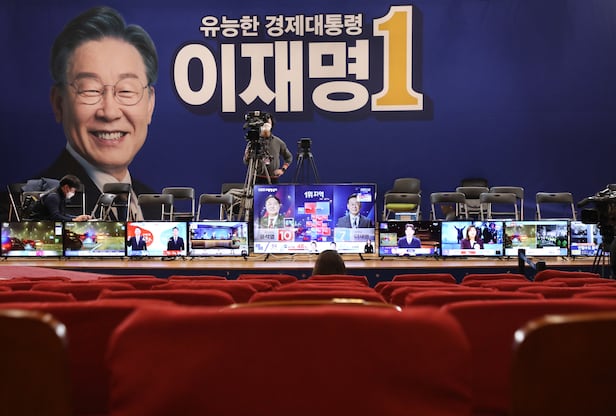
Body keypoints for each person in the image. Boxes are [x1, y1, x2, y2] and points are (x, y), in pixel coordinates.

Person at [36, 6, 158, 218]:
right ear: (58, 103)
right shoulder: (29, 210)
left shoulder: (157, 209)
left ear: (150, 104)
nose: (109, 112)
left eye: (126, 90)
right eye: (90, 90)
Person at [243, 114, 293, 185]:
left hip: (273, 178)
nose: (266, 125)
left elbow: (289, 157)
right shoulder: (253, 142)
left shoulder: (278, 142)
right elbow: (246, 161)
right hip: (256, 178)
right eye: (264, 122)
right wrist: (248, 155)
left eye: (268, 122)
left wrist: (283, 169)